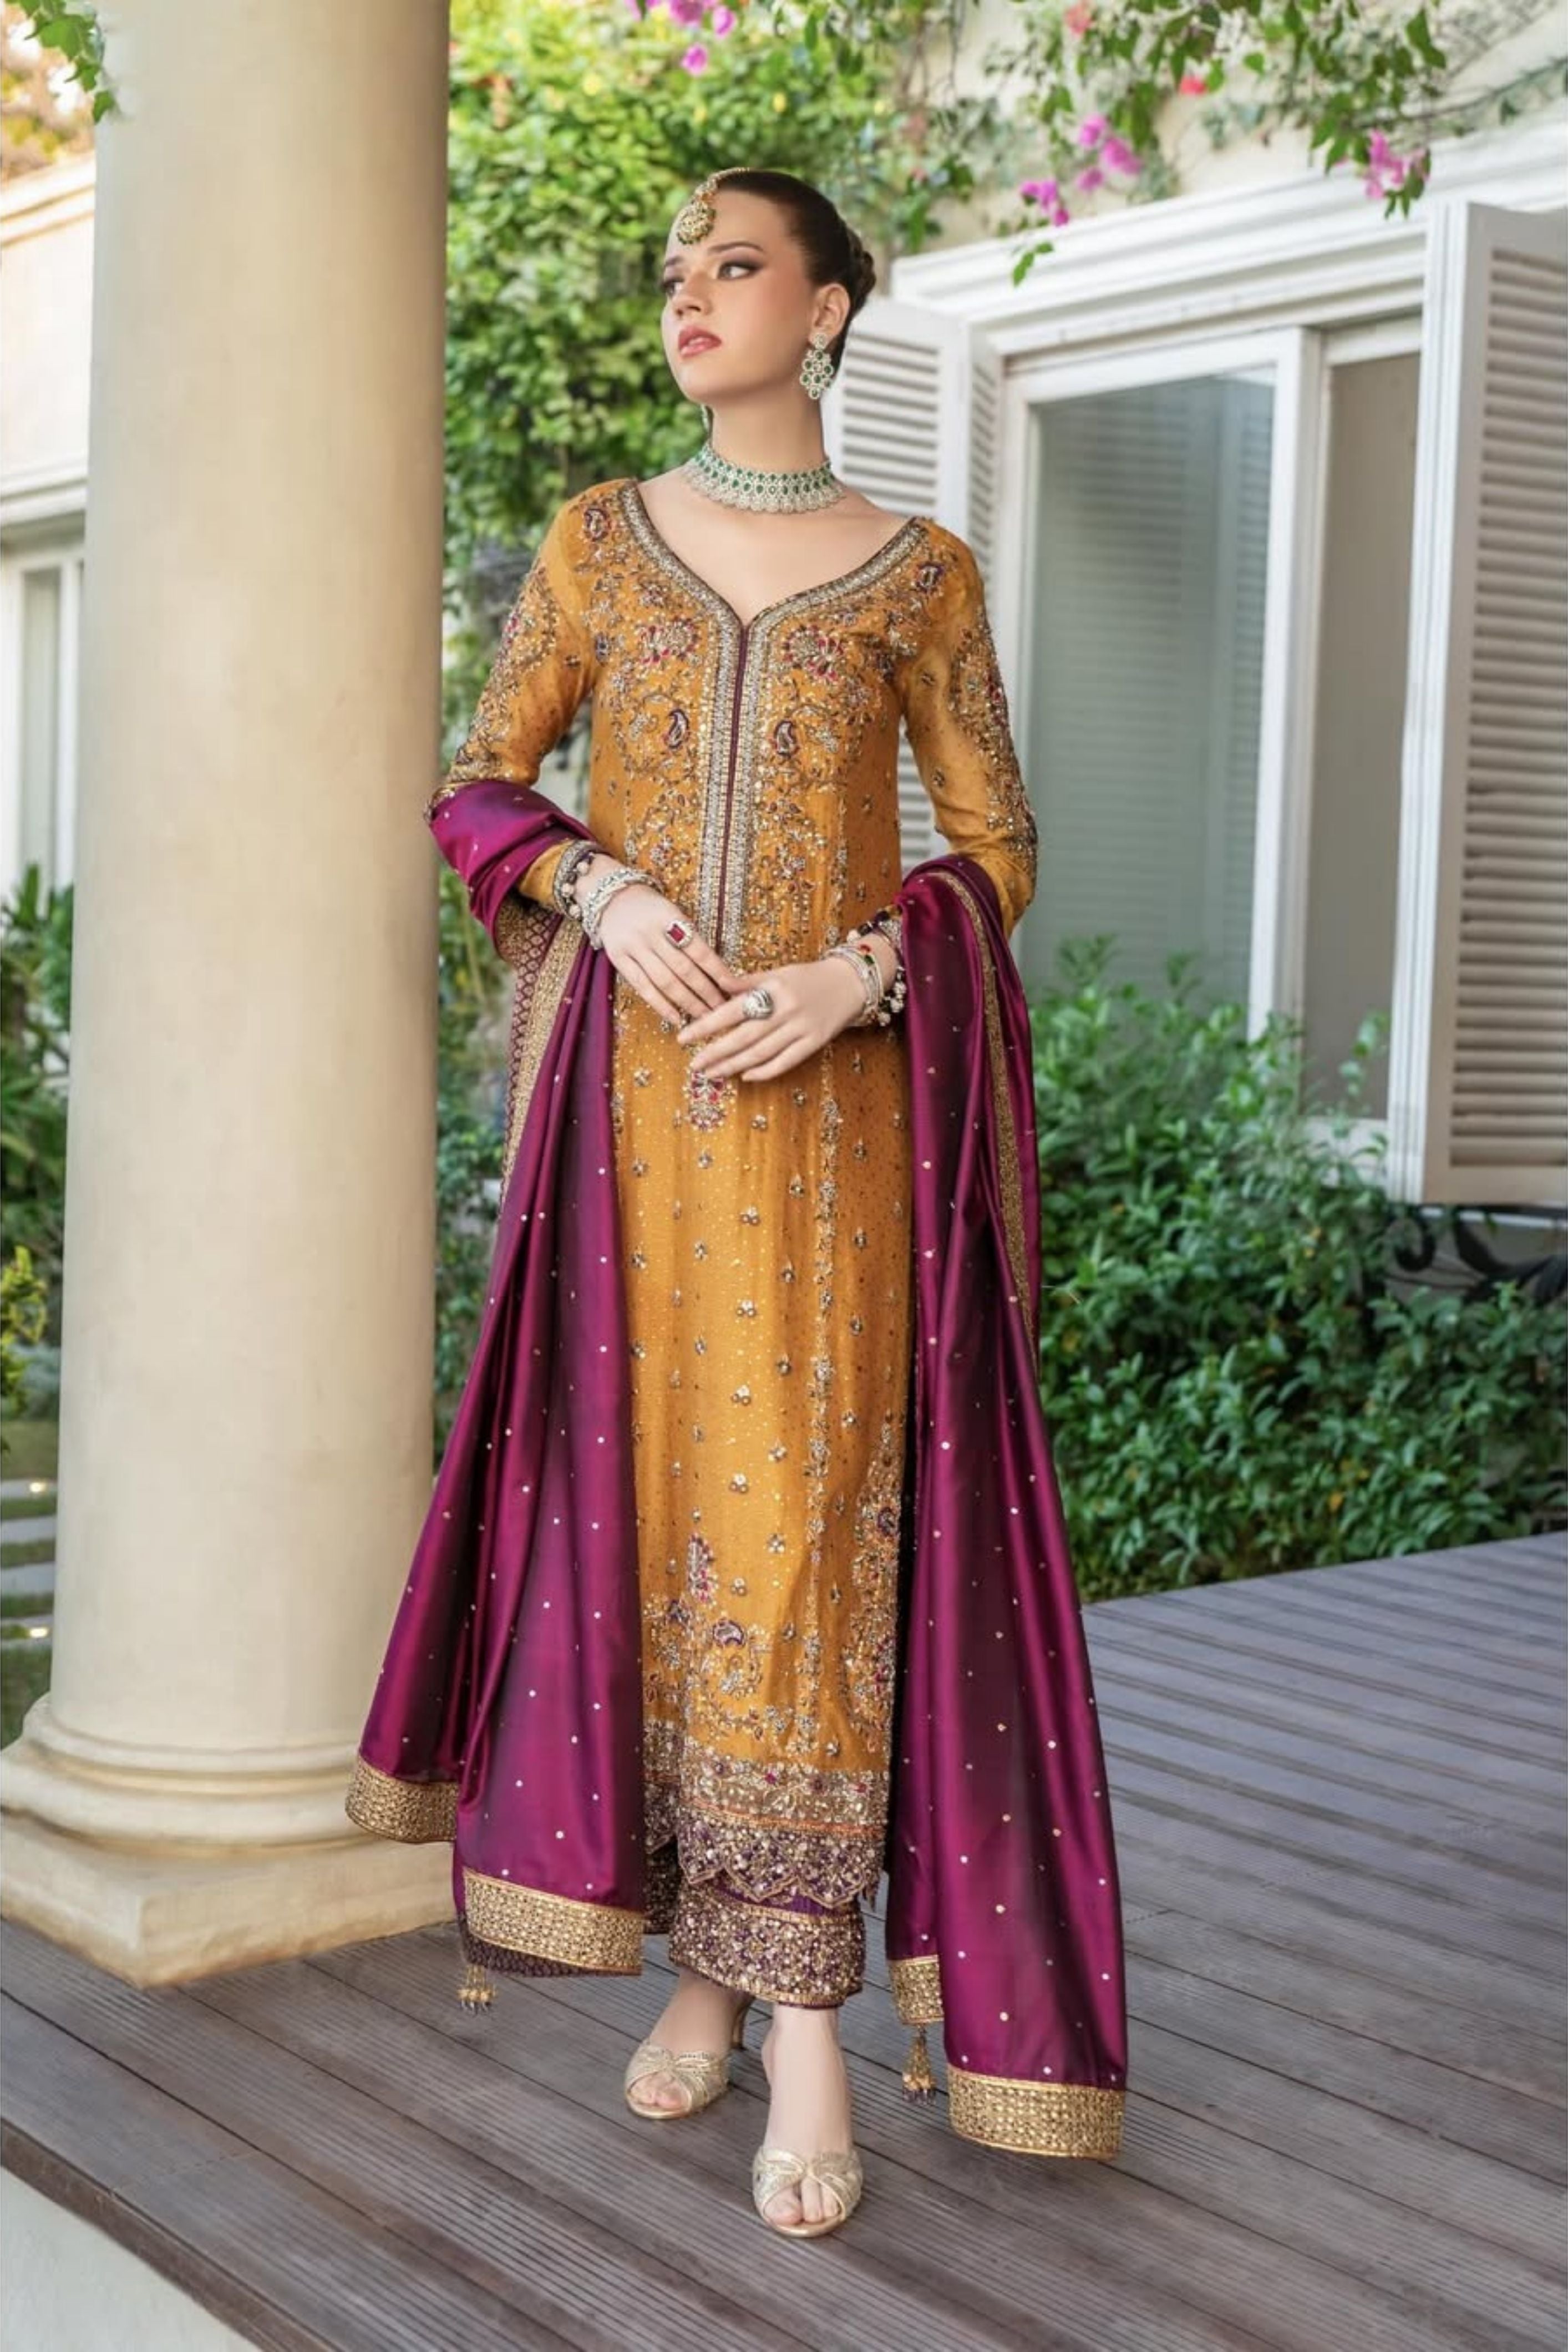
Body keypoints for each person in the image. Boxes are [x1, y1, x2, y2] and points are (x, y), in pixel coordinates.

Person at [347, 165, 1128, 2239]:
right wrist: (595, 893)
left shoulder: (918, 575)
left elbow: (998, 843)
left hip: (838, 1129)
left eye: (737, 267)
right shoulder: (603, 544)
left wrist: (857, 975)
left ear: (835, 307)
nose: (691, 297)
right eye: (675, 269)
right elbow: (482, 774)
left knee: (797, 1535)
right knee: (651, 1527)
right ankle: (701, 1955)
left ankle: (794, 2027)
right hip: (632, 1135)